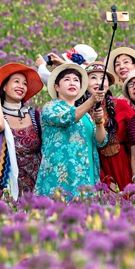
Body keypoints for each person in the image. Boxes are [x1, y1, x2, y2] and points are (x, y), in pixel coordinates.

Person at [36, 63, 108, 198]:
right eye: (67, 79)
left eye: (76, 80)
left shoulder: (86, 114)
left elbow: (100, 141)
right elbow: (66, 118)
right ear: (56, 87)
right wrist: (91, 101)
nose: (72, 82)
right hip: (60, 175)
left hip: (86, 174)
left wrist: (99, 122)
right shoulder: (51, 107)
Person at [0, 63, 45, 200]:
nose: (21, 86)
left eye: (24, 84)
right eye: (16, 82)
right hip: (11, 184)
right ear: (5, 87)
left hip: (38, 183)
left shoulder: (34, 115)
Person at [84, 62, 135, 192]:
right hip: (96, 166)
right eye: (93, 78)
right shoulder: (81, 112)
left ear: (108, 84)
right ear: (84, 83)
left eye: (102, 78)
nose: (98, 82)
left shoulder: (121, 105)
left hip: (124, 163)